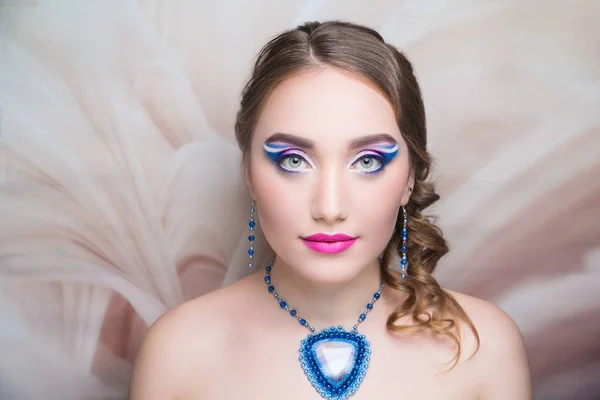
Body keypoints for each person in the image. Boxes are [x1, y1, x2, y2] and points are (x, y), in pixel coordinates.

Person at [129, 20, 531, 399]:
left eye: (369, 161)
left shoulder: (483, 345)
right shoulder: (177, 350)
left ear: (410, 178)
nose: (330, 208)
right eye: (292, 160)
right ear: (249, 173)